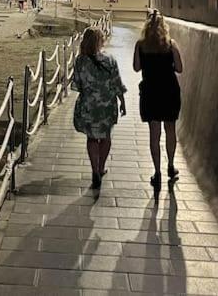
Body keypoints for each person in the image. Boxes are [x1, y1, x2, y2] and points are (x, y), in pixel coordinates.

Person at [71, 26, 127, 190]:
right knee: (106, 137)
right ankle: (101, 167)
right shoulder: (110, 60)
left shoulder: (80, 61)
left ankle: (94, 169)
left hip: (89, 105)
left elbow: (77, 85)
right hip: (107, 105)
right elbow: (117, 83)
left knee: (92, 138)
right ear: (99, 42)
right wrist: (122, 102)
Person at [134, 10, 183, 190]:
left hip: (150, 92)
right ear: (164, 27)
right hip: (169, 91)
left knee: (154, 134)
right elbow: (179, 68)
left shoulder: (140, 45)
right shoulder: (171, 45)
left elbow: (136, 68)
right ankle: (170, 165)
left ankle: (157, 172)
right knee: (170, 130)